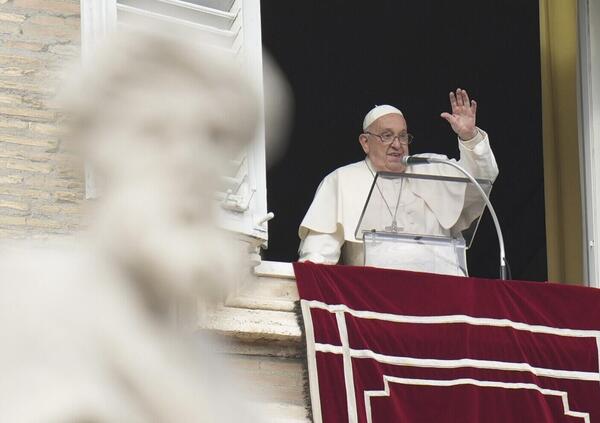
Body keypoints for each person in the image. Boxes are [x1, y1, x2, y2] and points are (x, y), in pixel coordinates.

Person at [298, 88, 499, 268]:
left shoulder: (432, 168)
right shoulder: (341, 180)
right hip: (375, 298)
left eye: (403, 136)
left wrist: (469, 137)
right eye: (386, 136)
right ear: (365, 142)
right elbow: (318, 254)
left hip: (443, 293)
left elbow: (481, 180)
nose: (397, 144)